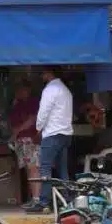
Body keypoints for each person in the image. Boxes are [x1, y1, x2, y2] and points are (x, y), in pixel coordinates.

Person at [30, 68, 74, 212]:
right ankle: (67, 201)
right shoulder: (65, 90)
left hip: (52, 133)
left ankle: (44, 203)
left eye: (42, 73)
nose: (42, 76)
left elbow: (44, 111)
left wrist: (38, 128)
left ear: (49, 73)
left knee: (45, 169)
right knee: (62, 169)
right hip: (65, 133)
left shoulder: (50, 90)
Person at [8, 82, 42, 209]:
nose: (19, 92)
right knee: (28, 169)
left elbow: (32, 119)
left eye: (22, 89)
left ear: (28, 90)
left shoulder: (33, 102)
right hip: (20, 140)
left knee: (33, 168)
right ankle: (33, 198)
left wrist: (16, 131)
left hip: (29, 139)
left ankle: (37, 199)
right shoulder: (17, 104)